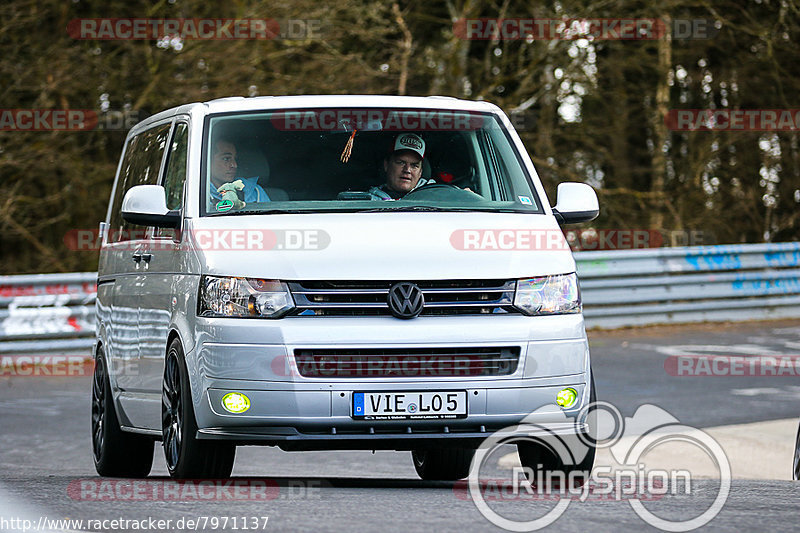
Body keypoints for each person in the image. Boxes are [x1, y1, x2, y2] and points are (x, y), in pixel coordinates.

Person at [368, 133, 435, 200]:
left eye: (414, 165)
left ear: (420, 172)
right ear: (386, 165)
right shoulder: (369, 200)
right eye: (401, 163)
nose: (407, 170)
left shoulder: (433, 198)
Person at [208, 138, 270, 208]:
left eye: (235, 159)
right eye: (226, 159)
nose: (234, 165)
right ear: (208, 161)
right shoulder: (199, 195)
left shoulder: (255, 192)